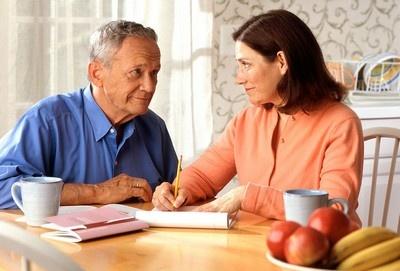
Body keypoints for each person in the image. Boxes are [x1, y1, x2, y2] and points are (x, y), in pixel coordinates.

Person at [152, 9, 364, 224]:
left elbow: (334, 210)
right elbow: (204, 175)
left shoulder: (341, 123)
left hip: (317, 249)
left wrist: (247, 196)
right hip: (255, 243)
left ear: (281, 62)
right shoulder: (246, 120)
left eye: (246, 64)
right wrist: (177, 190)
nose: (238, 78)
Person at [0, 20, 178, 209]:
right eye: (136, 72)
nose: (150, 86)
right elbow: (2, 188)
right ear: (96, 74)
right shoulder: (47, 120)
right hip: (61, 239)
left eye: (154, 73)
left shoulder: (154, 127)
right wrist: (96, 192)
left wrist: (173, 193)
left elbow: (179, 191)